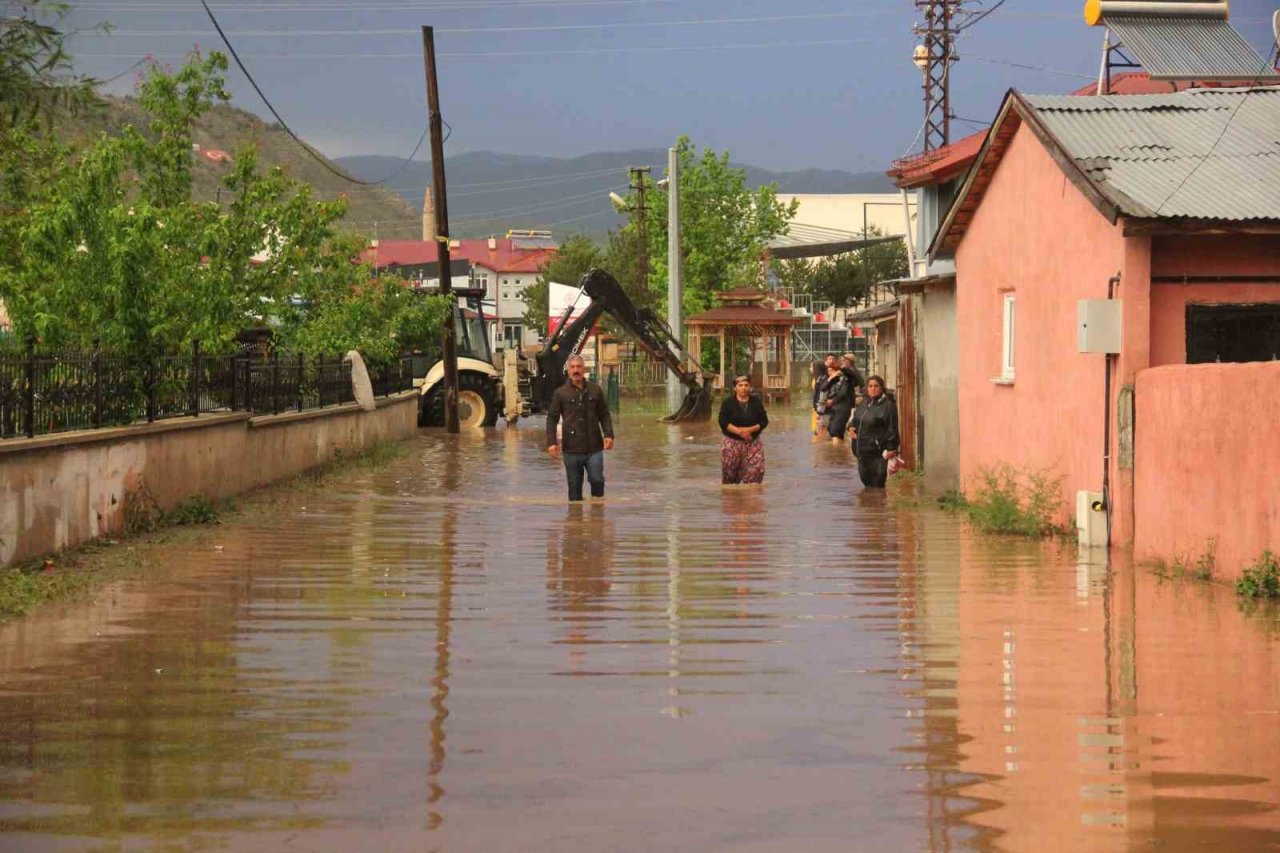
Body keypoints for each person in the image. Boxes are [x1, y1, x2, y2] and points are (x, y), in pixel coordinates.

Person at [546, 354, 615, 501]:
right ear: (568, 370)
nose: (576, 370)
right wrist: (551, 443)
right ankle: (575, 522)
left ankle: (597, 517)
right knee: (574, 490)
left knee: (597, 481)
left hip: (594, 448)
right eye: (572, 367)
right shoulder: (560, 393)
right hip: (571, 449)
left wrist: (609, 435)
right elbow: (552, 419)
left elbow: (604, 415)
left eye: (579, 367)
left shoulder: (595, 390)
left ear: (584, 369)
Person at [849, 375, 900, 488]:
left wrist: (892, 448)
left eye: (876, 386)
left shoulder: (888, 406)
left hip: (878, 454)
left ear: (882, 388)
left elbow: (892, 428)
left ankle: (880, 505)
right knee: (866, 485)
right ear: (866, 388)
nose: (873, 388)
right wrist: (850, 429)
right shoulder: (862, 404)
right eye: (870, 386)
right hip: (861, 452)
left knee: (878, 486)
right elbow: (854, 421)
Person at [718, 374, 769, 484]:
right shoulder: (728, 402)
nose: (743, 388)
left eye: (746, 385)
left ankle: (750, 500)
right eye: (740, 385)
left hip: (753, 442)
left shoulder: (756, 402)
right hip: (732, 443)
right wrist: (740, 432)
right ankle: (734, 500)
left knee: (756, 473)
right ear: (735, 388)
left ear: (750, 387)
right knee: (730, 476)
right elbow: (723, 422)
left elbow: (764, 421)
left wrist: (749, 430)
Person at [819, 359, 853, 445]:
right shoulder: (831, 380)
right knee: (832, 430)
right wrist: (830, 378)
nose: (830, 372)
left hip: (843, 408)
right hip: (834, 409)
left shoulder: (844, 379)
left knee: (835, 431)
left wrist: (832, 401)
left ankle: (836, 454)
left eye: (832, 370)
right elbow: (823, 388)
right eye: (828, 371)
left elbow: (843, 393)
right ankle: (840, 453)